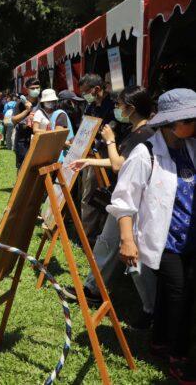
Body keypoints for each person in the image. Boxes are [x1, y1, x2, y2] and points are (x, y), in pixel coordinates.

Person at [109, 89, 196, 382]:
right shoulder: (144, 153)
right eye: (190, 119)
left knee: (176, 295)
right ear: (173, 122)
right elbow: (124, 200)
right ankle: (178, 356)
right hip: (166, 240)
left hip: (190, 238)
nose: (195, 123)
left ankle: (159, 341)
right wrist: (127, 239)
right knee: (181, 297)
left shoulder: (191, 147)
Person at [67, 86, 156, 327]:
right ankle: (93, 289)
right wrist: (88, 160)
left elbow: (118, 166)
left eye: (120, 104)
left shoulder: (145, 133)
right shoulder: (137, 129)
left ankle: (151, 309)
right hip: (122, 201)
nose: (117, 108)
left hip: (133, 204)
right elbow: (123, 162)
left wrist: (110, 140)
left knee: (135, 260)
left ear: (132, 108)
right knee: (106, 245)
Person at [79, 73, 118, 243]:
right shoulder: (90, 106)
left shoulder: (113, 106)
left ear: (96, 89)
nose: (84, 95)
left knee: (101, 194)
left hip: (107, 155)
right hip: (90, 155)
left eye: (86, 92)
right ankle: (87, 233)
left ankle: (95, 233)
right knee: (87, 193)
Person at [11, 78, 41, 168]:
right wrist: (27, 111)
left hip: (37, 138)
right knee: (22, 165)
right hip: (22, 139)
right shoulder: (20, 103)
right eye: (32, 88)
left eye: (37, 87)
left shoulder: (42, 102)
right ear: (27, 89)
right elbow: (14, 120)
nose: (35, 90)